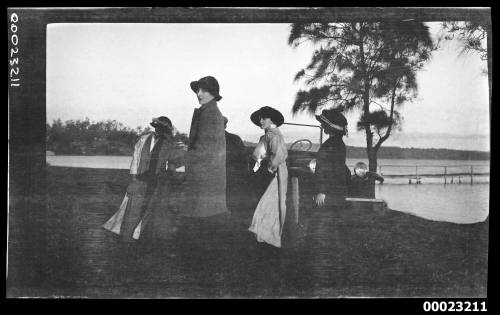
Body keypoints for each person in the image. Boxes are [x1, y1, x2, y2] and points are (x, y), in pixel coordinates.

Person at [102, 116, 185, 242]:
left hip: (157, 182)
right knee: (133, 209)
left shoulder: (169, 144)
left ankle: (144, 239)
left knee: (153, 211)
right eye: (157, 127)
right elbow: (135, 161)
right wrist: (134, 180)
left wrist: (182, 152)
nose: (159, 131)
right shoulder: (143, 140)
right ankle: (127, 238)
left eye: (162, 129)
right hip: (140, 180)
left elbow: (174, 163)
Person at [182, 76, 229, 218]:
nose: (198, 94)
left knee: (202, 223)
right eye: (198, 90)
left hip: (205, 181)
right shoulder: (207, 112)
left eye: (204, 91)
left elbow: (204, 150)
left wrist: (179, 155)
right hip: (206, 179)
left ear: (213, 93)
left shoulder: (210, 114)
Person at [248, 106, 288, 248]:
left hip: (275, 176)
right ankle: (265, 237)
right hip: (266, 174)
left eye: (264, 118)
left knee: (270, 205)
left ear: (271, 120)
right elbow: (258, 155)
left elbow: (280, 155)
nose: (261, 121)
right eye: (260, 118)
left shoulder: (273, 135)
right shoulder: (267, 135)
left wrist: (270, 168)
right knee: (266, 205)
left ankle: (270, 238)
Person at [313, 108, 349, 209]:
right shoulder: (340, 144)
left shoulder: (330, 145)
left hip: (329, 194)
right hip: (338, 191)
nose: (321, 125)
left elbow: (324, 169)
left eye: (323, 124)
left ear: (330, 127)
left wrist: (321, 191)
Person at [223, 116, 249, 213]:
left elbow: (243, 159)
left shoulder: (234, 139)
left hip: (231, 176)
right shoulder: (209, 140)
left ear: (225, 126)